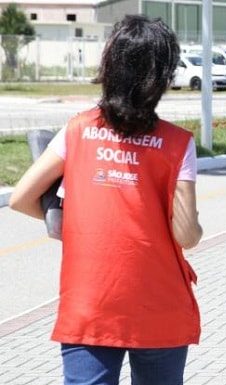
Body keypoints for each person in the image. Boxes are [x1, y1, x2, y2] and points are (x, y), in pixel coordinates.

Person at [9, 15, 203, 385]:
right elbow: (186, 236)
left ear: (111, 66)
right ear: (160, 76)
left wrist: (73, 223)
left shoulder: (78, 129)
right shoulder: (177, 143)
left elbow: (20, 198)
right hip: (157, 301)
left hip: (90, 299)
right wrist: (196, 224)